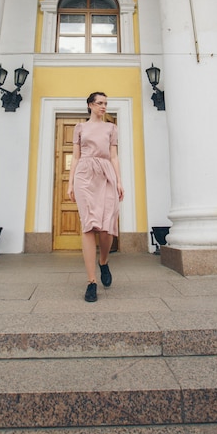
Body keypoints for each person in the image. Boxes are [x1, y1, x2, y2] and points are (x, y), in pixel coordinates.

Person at [67, 92, 124, 302]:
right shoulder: (80, 128)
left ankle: (104, 261)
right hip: (84, 174)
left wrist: (119, 180)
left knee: (108, 223)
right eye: (100, 103)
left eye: (106, 103)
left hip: (106, 172)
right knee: (89, 225)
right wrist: (71, 182)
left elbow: (114, 156)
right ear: (90, 105)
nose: (104, 106)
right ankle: (91, 282)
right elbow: (75, 156)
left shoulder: (111, 128)